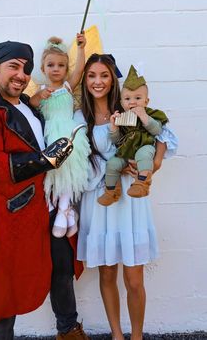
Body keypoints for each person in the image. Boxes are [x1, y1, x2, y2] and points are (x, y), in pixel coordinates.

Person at [0, 41, 88, 340]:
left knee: (61, 268)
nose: (21, 74)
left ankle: (69, 331)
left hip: (47, 206)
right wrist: (43, 160)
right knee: (4, 286)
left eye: (26, 68)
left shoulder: (29, 105)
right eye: (13, 66)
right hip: (14, 213)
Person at [75, 54, 178, 340]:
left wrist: (153, 165)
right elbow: (77, 162)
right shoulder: (78, 116)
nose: (98, 81)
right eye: (92, 75)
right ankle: (117, 335)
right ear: (84, 79)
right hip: (100, 199)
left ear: (113, 79)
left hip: (130, 204)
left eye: (104, 75)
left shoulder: (128, 107)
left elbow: (164, 137)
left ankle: (137, 336)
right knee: (107, 274)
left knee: (133, 278)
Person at [30, 34, 90, 238]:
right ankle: (68, 212)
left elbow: (80, 70)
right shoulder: (40, 90)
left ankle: (64, 209)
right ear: (42, 69)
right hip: (49, 137)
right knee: (55, 172)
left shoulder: (67, 87)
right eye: (51, 65)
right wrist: (38, 96)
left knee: (69, 169)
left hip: (69, 134)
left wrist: (81, 48)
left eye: (61, 65)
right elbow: (32, 107)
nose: (56, 69)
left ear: (66, 69)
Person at [98, 64, 168, 206]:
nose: (132, 102)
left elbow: (158, 131)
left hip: (145, 146)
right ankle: (111, 191)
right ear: (122, 103)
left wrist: (144, 117)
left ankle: (142, 184)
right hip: (126, 151)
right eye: (128, 99)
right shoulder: (122, 118)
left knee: (143, 155)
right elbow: (116, 141)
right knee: (112, 163)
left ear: (146, 101)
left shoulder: (151, 114)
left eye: (137, 98)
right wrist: (113, 127)